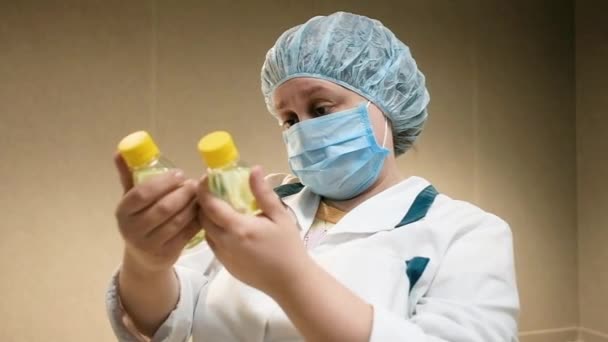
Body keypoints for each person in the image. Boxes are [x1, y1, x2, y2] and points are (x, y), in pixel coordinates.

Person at [106, 11, 519, 342]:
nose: (302, 129)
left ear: (387, 106)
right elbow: (164, 321)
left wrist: (291, 279)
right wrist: (146, 264)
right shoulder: (251, 206)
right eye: (288, 119)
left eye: (321, 109)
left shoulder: (466, 234)